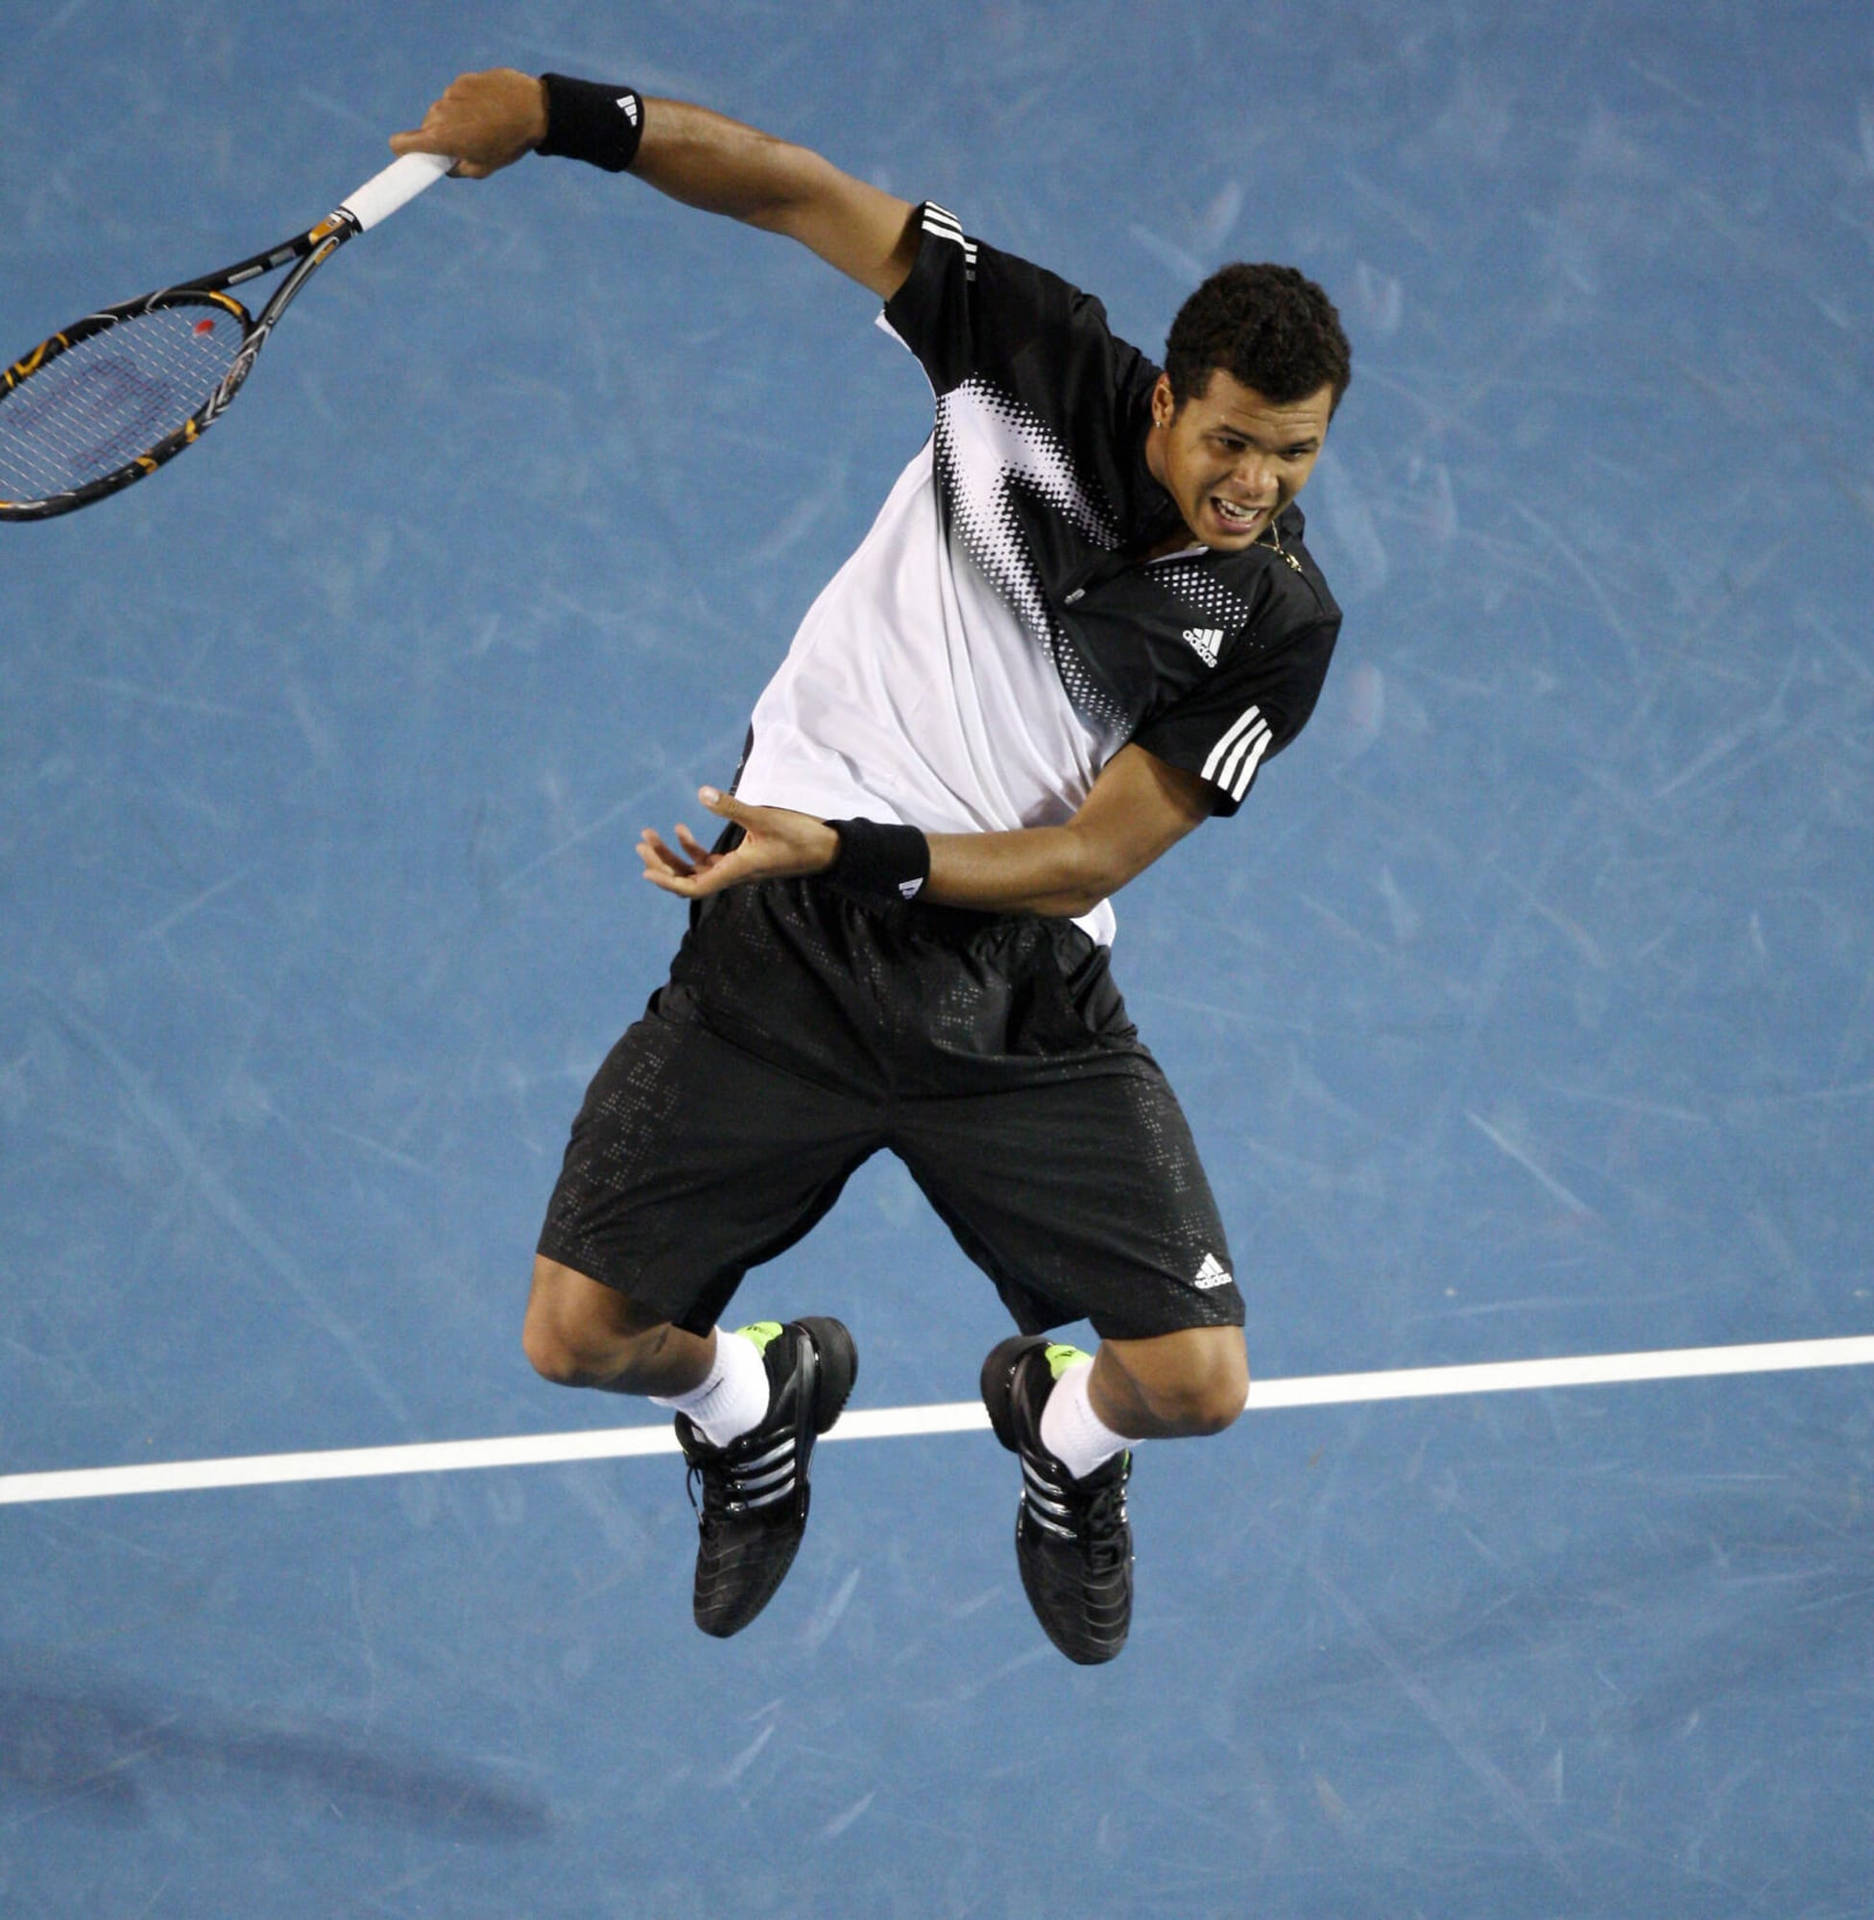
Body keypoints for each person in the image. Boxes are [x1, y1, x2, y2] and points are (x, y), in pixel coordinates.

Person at [392, 66, 1350, 1665]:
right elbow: (787, 186)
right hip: (784, 954)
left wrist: (842, 843)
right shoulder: (1028, 354)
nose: (1256, 485)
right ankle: (751, 1397)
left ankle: (1063, 1439)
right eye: (1234, 441)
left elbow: (1078, 862)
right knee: (578, 1339)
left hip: (1009, 990)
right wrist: (568, 117)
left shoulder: (1274, 627)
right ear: (1165, 398)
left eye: (1300, 456)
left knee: (1194, 1387)